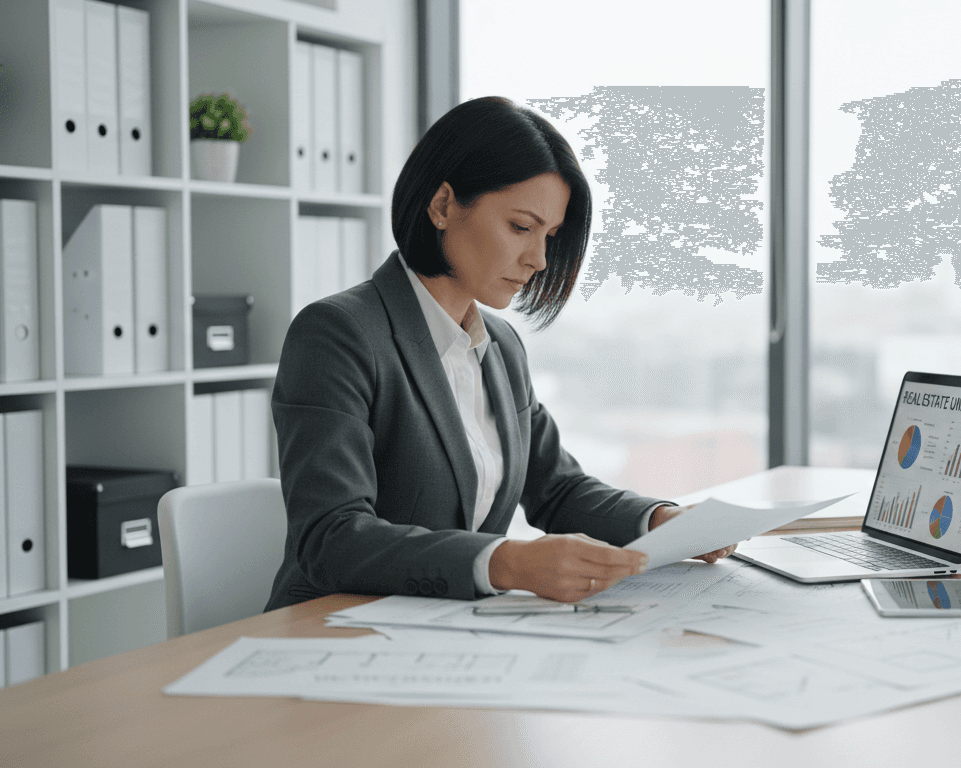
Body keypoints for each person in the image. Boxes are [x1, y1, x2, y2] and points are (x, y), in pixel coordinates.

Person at [264, 96, 735, 610]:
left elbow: (556, 489)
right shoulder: (338, 334)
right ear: (443, 206)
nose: (537, 259)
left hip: (450, 629)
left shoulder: (501, 346)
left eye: (549, 236)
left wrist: (661, 520)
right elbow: (331, 537)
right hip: (334, 628)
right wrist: (506, 561)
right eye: (520, 227)